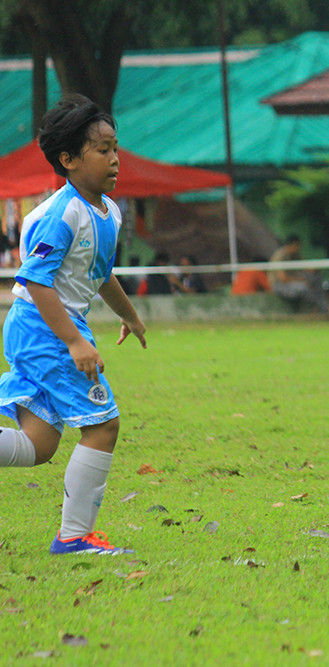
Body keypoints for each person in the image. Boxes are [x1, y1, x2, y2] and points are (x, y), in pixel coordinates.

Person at [0, 94, 147, 555]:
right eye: (102, 150)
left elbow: (100, 274)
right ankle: (74, 537)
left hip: (47, 327)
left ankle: (75, 536)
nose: (115, 159)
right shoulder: (62, 213)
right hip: (44, 328)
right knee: (103, 426)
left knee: (39, 444)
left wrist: (129, 314)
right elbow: (36, 281)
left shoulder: (109, 211)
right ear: (68, 159)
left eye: (115, 148)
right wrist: (74, 342)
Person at [268, 235, 329, 315]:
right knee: (304, 288)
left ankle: (324, 306)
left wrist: (314, 269)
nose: (298, 248)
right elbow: (283, 278)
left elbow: (305, 266)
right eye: (296, 245)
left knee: (316, 278)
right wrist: (301, 280)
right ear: (290, 245)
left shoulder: (295, 254)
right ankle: (315, 308)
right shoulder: (280, 256)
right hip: (280, 285)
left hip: (293, 282)